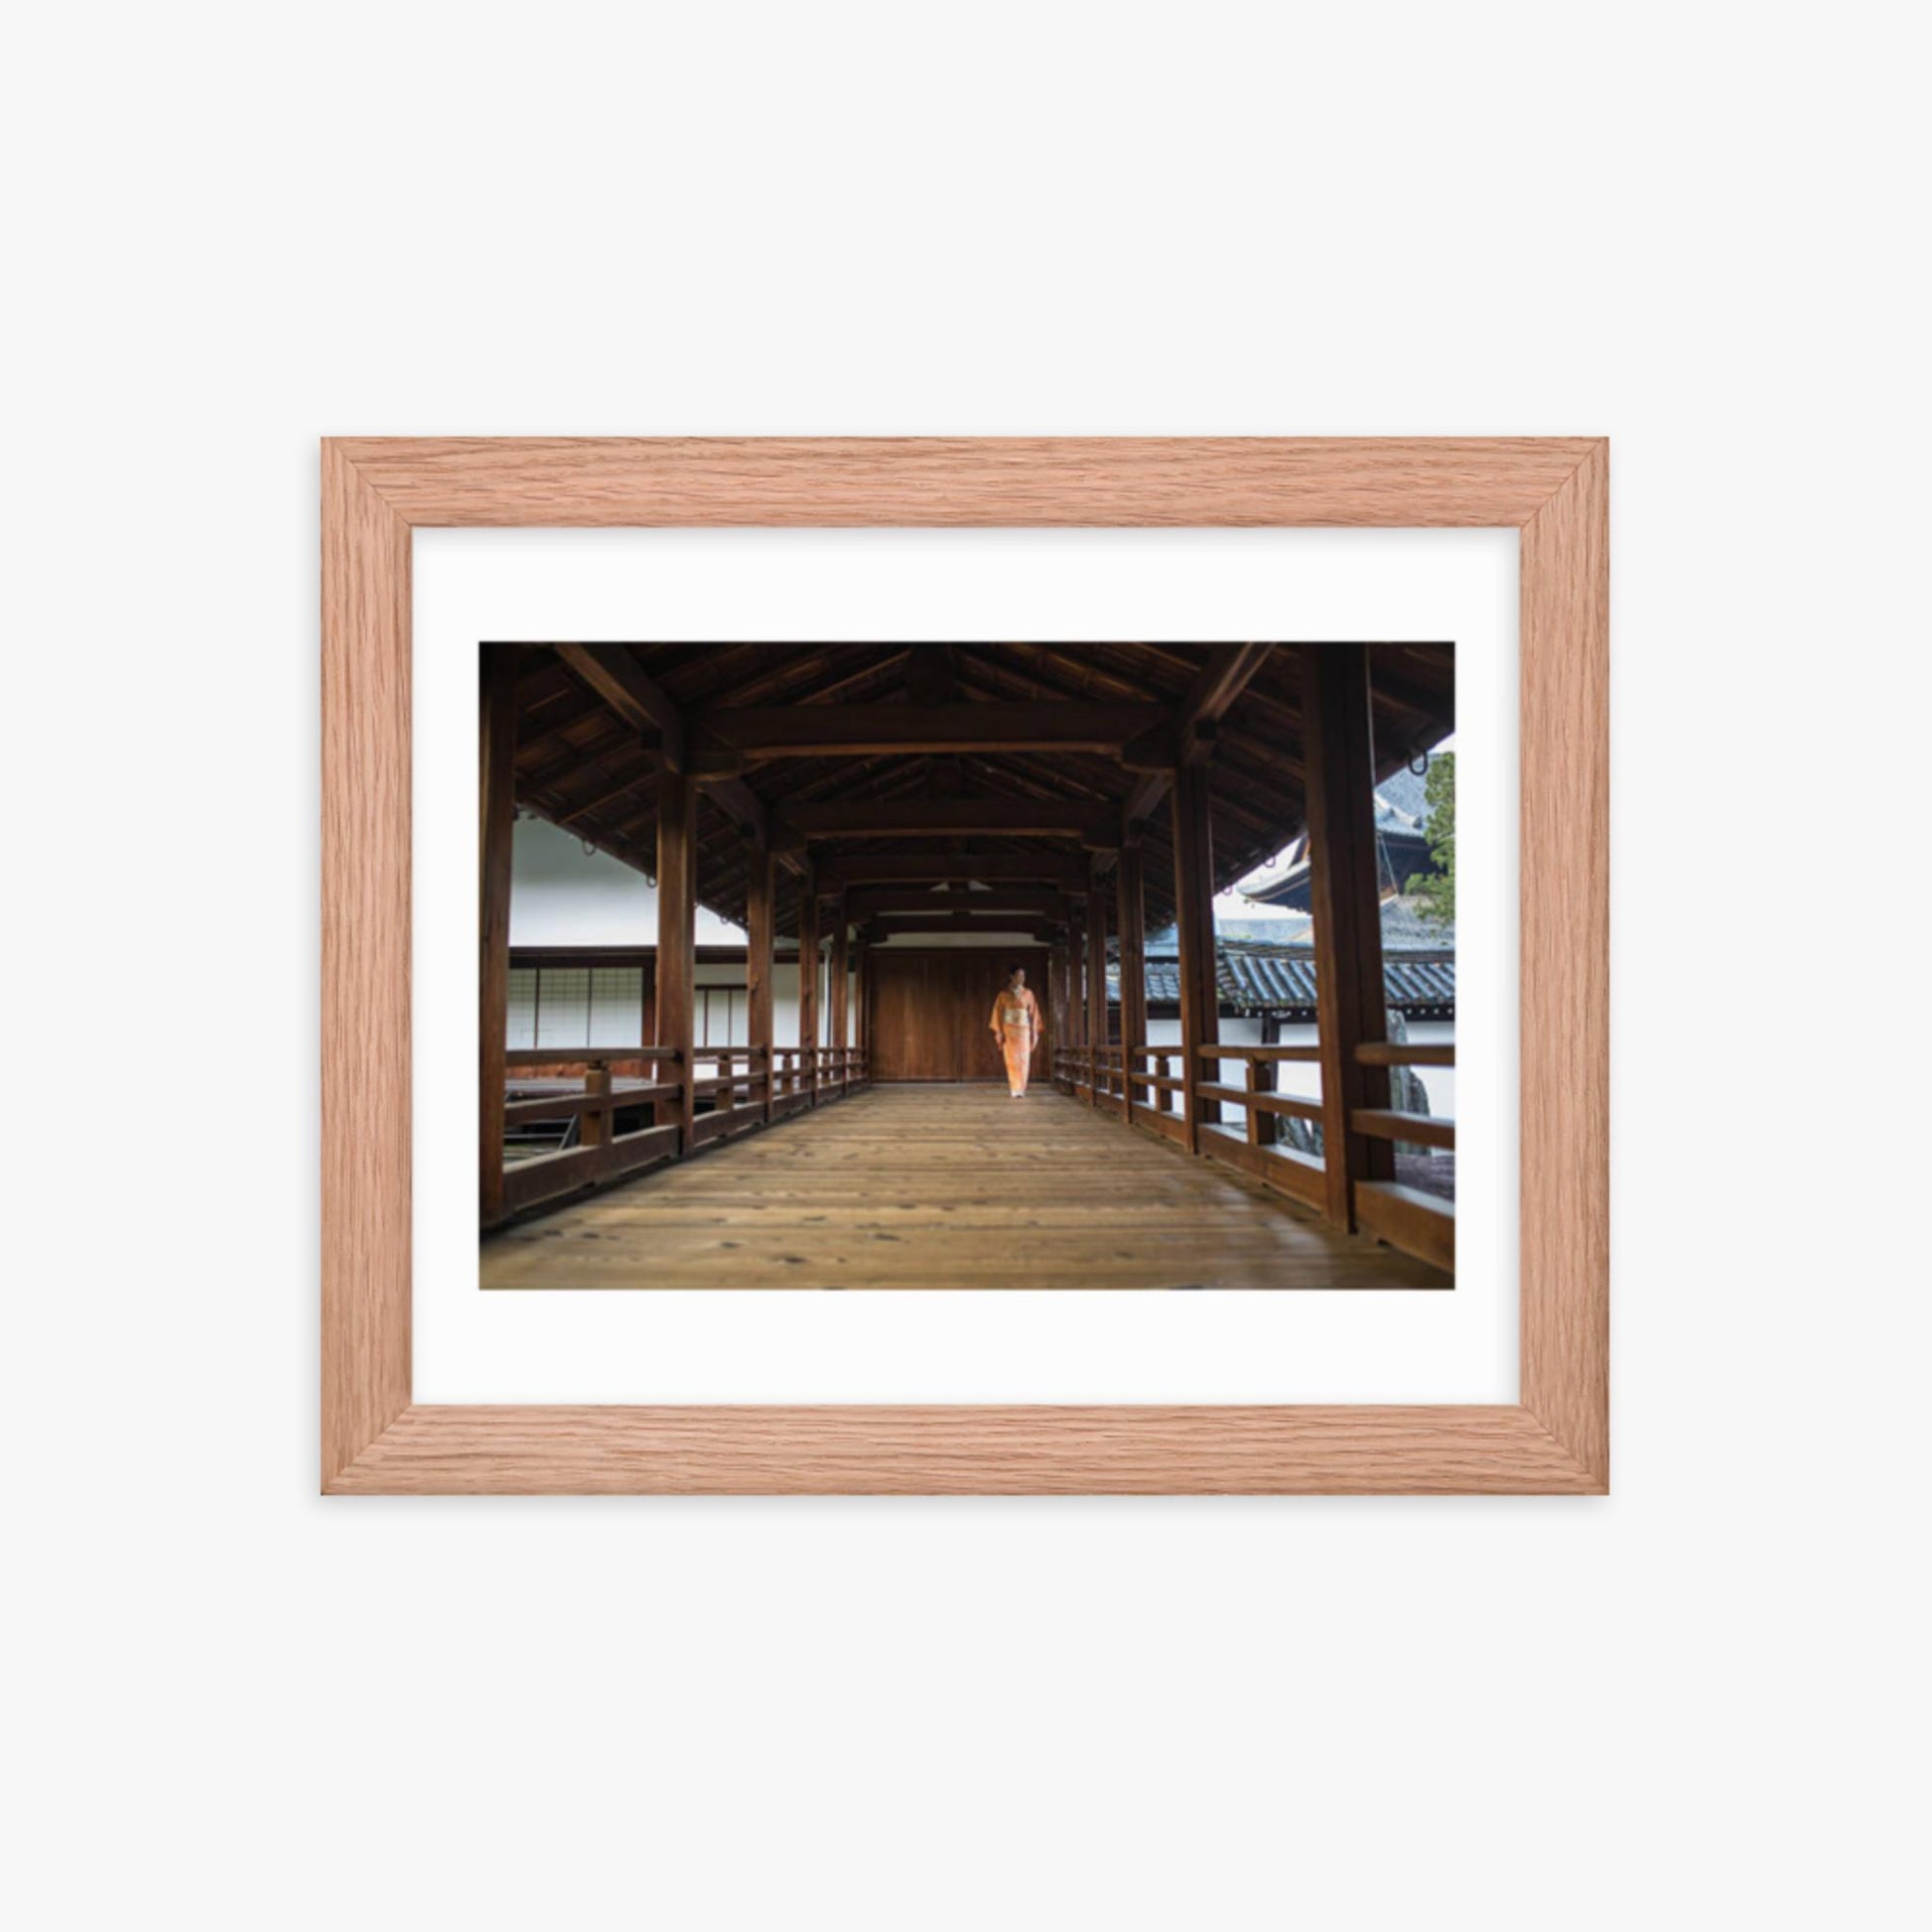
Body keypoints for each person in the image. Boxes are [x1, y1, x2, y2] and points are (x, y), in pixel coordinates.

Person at [989, 963, 1041, 1098]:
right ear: (1011, 977)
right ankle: (1014, 1088)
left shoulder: (1028, 994)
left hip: (1024, 1030)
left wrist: (1034, 1031)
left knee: (1024, 1059)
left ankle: (1021, 1088)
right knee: (1011, 1059)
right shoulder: (1003, 995)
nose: (1022, 978)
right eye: (1018, 975)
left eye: (1023, 976)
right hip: (1009, 1030)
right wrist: (999, 1031)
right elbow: (997, 1013)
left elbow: (1034, 1014)